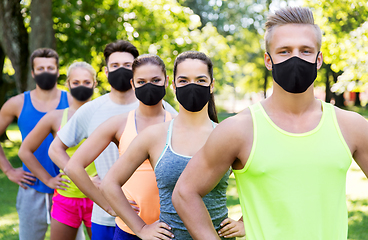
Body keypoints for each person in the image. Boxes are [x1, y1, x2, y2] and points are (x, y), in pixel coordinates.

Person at [172, 7, 368, 240]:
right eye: (284, 51)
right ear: (268, 60)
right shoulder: (239, 129)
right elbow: (185, 192)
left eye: (305, 51)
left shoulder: (351, 126)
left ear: (318, 60)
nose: (295, 58)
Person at [101, 51, 245, 240]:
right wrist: (141, 229)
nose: (192, 86)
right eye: (184, 80)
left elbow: (265, 181)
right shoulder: (155, 135)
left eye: (201, 80)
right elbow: (109, 184)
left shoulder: (227, 135)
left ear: (212, 85)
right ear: (174, 85)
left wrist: (244, 222)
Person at [48, 40, 176, 240]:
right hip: (108, 217)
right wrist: (105, 201)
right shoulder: (93, 110)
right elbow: (59, 152)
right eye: (115, 66)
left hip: (162, 218)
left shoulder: (167, 111)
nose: (121, 71)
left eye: (127, 65)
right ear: (107, 72)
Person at [18, 61, 97, 240]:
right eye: (76, 83)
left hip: (99, 197)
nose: (81, 86)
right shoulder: (55, 117)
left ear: (95, 83)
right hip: (66, 198)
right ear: (67, 84)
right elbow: (25, 151)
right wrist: (48, 180)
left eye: (86, 82)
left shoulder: (106, 115)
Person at [0, 48, 71, 240]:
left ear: (57, 71)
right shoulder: (17, 103)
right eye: (40, 68)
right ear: (33, 73)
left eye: (50, 67)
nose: (46, 72)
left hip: (68, 188)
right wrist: (8, 170)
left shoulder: (72, 101)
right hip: (31, 188)